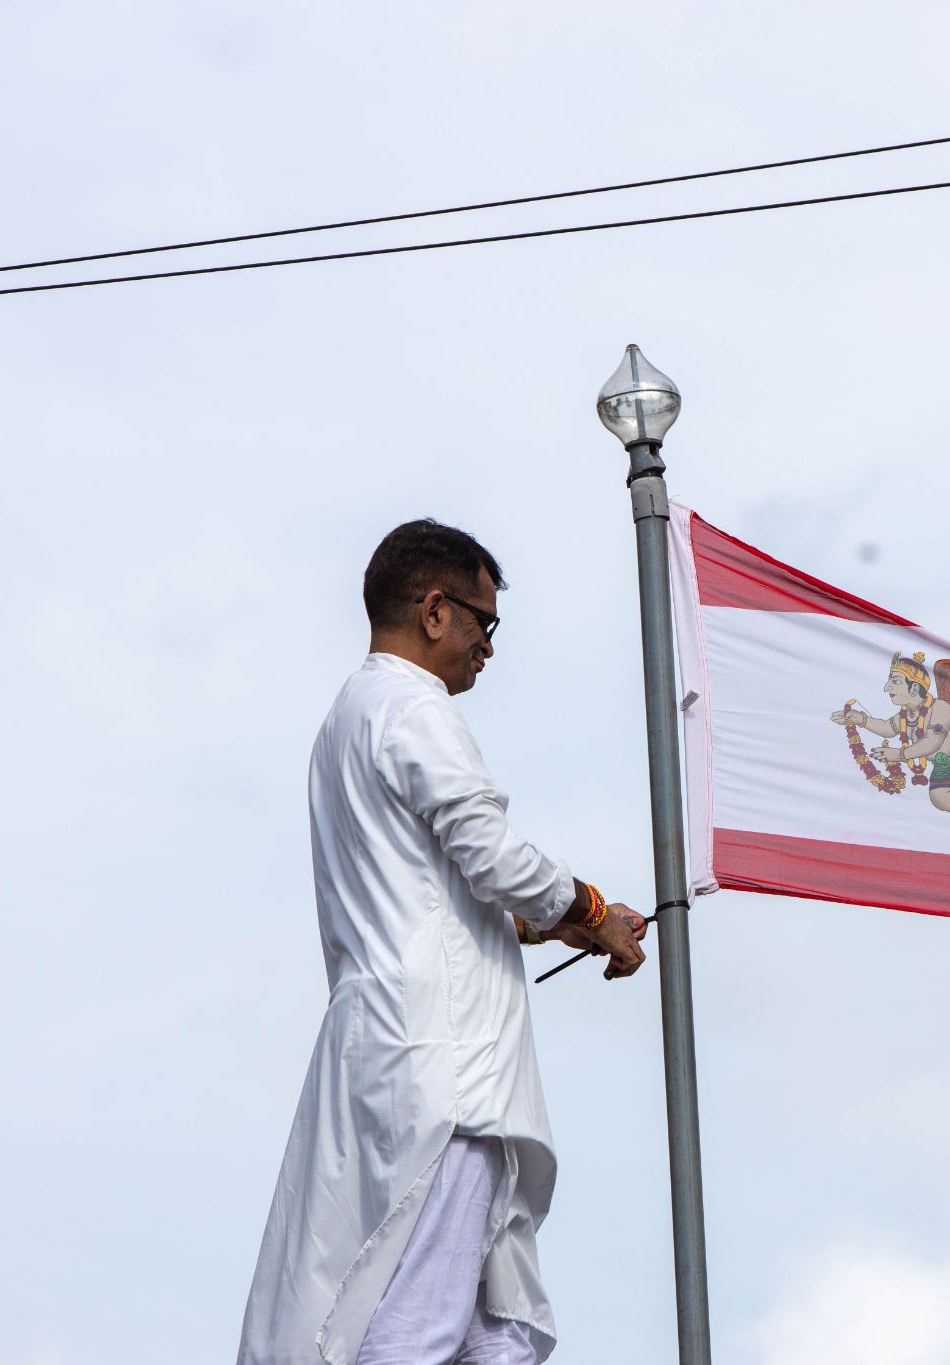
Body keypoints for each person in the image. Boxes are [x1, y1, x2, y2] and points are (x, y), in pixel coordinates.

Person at [238, 519, 648, 1365]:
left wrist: (559, 918)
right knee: (416, 1324)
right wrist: (594, 908)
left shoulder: (346, 720)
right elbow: (491, 855)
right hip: (445, 1070)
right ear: (433, 610)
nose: (487, 649)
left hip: (396, 1046)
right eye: (482, 622)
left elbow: (447, 890)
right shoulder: (412, 706)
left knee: (472, 1328)